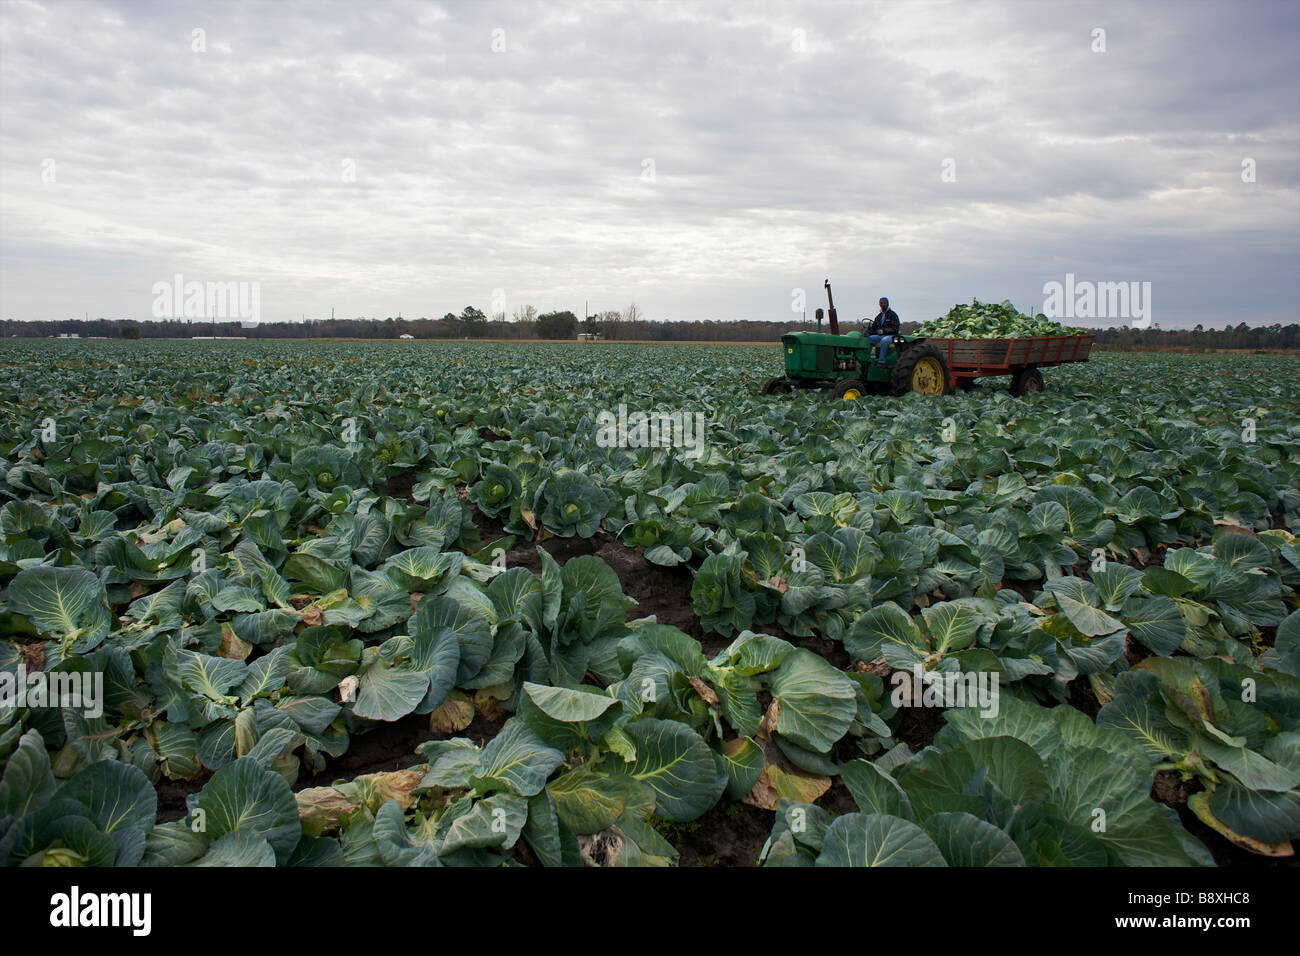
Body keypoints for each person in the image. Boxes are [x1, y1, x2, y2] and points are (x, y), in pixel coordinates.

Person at [867, 297, 900, 367]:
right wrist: (868, 332)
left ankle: (881, 362)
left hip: (891, 335)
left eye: (884, 303)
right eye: (881, 303)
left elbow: (895, 328)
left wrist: (883, 331)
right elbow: (874, 327)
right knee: (868, 339)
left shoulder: (893, 315)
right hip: (880, 336)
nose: (882, 304)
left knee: (884, 341)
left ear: (887, 304)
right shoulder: (878, 316)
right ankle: (867, 359)